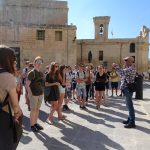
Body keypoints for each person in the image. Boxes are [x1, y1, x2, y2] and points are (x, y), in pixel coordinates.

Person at [0, 45, 22, 149]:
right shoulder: (8, 77)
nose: (15, 61)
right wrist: (17, 114)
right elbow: (15, 104)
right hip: (4, 116)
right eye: (13, 59)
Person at [112, 56, 136, 128]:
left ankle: (132, 122)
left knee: (129, 105)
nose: (124, 61)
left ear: (130, 61)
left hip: (128, 89)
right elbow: (122, 74)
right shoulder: (127, 68)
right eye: (125, 60)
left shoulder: (131, 69)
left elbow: (122, 72)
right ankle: (130, 119)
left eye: (126, 60)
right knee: (128, 105)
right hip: (126, 89)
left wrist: (116, 66)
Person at [26, 56, 44, 132]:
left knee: (37, 109)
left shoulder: (40, 73)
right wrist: (31, 95)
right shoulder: (31, 73)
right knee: (33, 110)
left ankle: (36, 123)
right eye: (38, 62)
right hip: (34, 95)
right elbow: (27, 85)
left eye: (40, 63)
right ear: (34, 63)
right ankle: (32, 125)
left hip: (40, 94)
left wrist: (42, 92)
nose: (39, 64)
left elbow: (41, 83)